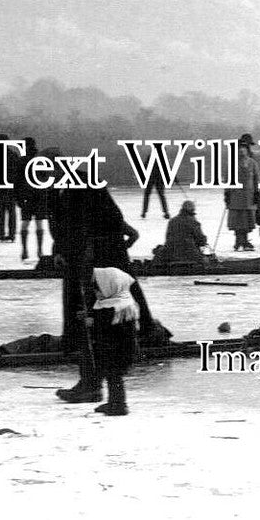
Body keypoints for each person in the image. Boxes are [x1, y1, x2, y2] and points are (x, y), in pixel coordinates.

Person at [48, 149, 157, 404]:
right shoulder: (59, 189)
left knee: (93, 322)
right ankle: (92, 383)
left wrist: (92, 251)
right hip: (81, 263)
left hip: (93, 265)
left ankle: (95, 386)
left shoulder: (83, 185)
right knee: (85, 322)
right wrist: (60, 250)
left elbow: (107, 220)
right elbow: (65, 226)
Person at [87, 267, 141, 416]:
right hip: (122, 349)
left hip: (115, 350)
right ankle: (115, 401)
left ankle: (118, 404)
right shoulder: (125, 302)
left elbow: (106, 326)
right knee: (114, 377)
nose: (96, 292)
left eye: (98, 288)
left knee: (113, 375)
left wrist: (92, 322)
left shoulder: (113, 307)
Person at [14, 137, 51, 262]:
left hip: (26, 196)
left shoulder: (21, 160)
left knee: (25, 222)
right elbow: (47, 178)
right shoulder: (41, 159)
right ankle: (40, 250)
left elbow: (16, 181)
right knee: (39, 222)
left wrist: (17, 197)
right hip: (40, 195)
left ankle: (24, 250)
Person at [225, 135, 260, 251]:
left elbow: (256, 179)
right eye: (240, 148)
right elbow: (227, 180)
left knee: (247, 220)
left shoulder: (253, 163)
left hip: (249, 196)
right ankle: (238, 241)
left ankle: (245, 241)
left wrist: (256, 193)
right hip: (236, 196)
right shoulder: (232, 163)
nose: (242, 150)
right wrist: (227, 194)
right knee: (237, 220)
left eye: (244, 148)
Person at [160, 200, 208, 265]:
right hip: (191, 255)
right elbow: (201, 241)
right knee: (208, 260)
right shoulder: (193, 222)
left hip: (171, 255)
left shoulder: (172, 221)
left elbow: (168, 238)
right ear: (192, 211)